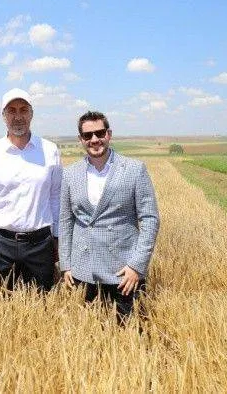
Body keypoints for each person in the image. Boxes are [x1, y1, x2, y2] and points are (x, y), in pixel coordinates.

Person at [59, 111, 159, 321]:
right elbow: (66, 221)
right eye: (88, 135)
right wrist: (66, 265)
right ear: (81, 139)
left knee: (130, 332)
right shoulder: (70, 174)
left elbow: (150, 220)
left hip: (123, 274)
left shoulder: (134, 169)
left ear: (109, 134)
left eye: (100, 133)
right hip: (83, 272)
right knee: (88, 334)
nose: (95, 139)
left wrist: (136, 266)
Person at [0, 88, 62, 291]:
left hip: (40, 244)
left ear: (31, 114)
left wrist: (57, 238)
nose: (18, 116)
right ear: (3, 116)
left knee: (42, 304)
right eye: (12, 111)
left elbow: (56, 197)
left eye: (23, 110)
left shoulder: (50, 150)